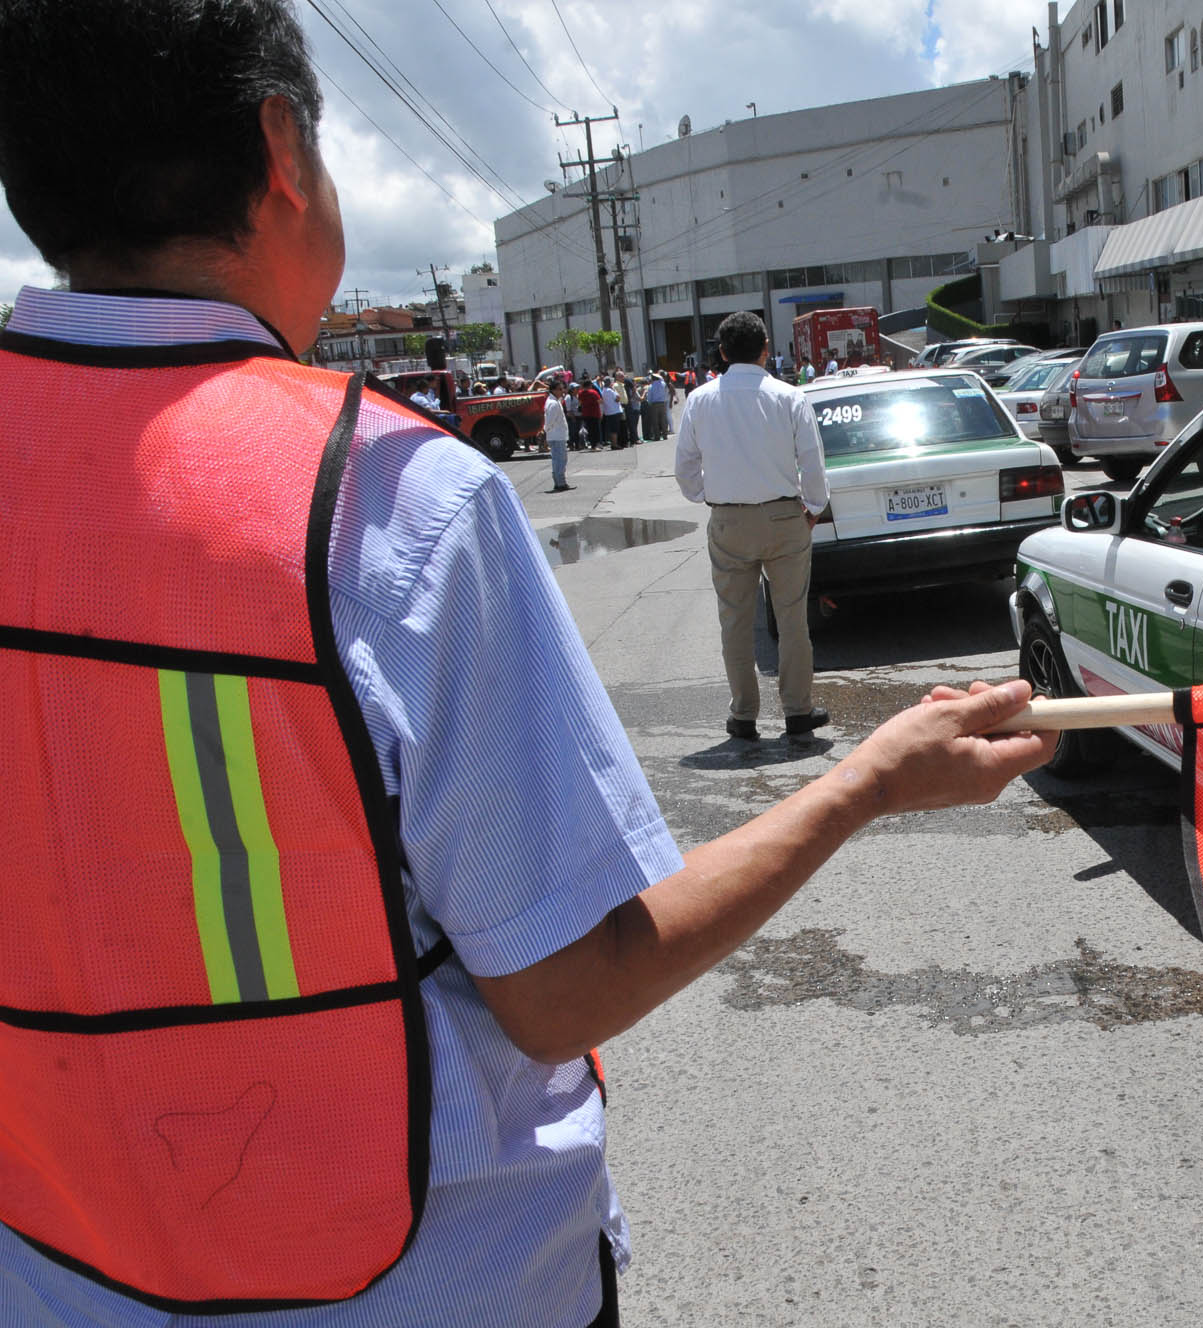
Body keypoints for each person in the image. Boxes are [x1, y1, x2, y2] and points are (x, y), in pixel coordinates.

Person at [0, 8, 1053, 1324]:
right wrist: (866, 783)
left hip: (55, 1275)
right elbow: (568, 988)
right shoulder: (379, 499)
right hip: (433, 1282)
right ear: (281, 150)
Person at [674, 312, 830, 742]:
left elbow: (685, 469)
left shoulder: (700, 400)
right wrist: (814, 506)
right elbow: (812, 461)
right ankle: (798, 710)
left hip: (729, 520)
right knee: (792, 618)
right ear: (765, 348)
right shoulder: (789, 396)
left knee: (735, 622)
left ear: (722, 353)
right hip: (784, 517)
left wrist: (711, 495)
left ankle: (744, 716)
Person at [544, 378, 574, 491]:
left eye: (563, 388)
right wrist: (546, 430)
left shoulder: (554, 401)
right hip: (556, 435)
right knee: (560, 460)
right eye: (559, 389)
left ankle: (559, 482)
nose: (562, 391)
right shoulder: (553, 404)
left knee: (558, 459)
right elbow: (549, 421)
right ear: (553, 390)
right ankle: (560, 483)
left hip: (557, 435)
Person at [599, 371, 626, 449]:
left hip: (608, 412)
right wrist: (614, 390)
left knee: (612, 429)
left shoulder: (603, 390)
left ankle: (614, 443)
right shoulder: (610, 390)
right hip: (614, 412)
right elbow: (618, 398)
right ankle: (614, 444)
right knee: (615, 429)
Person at [576, 373, 602, 448]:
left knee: (590, 429)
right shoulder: (593, 392)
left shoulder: (580, 393)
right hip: (595, 413)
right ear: (590, 385)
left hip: (586, 413)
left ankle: (592, 444)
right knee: (596, 429)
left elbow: (580, 402)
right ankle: (596, 444)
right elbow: (600, 401)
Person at [643, 371, 670, 441]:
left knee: (655, 421)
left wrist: (649, 403)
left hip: (654, 404)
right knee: (663, 420)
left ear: (653, 379)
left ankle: (657, 436)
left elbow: (649, 397)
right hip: (663, 403)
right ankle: (665, 435)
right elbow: (666, 391)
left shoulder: (650, 386)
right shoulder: (663, 384)